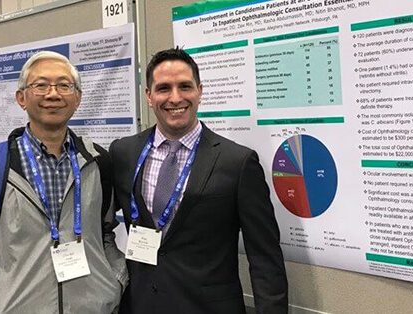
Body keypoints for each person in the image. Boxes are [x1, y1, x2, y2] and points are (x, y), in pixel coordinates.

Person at [0, 51, 128, 314]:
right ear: (21, 98)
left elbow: (105, 232)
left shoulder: (98, 161)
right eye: (41, 85)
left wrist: (114, 282)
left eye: (64, 85)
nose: (53, 94)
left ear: (77, 98)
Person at [109, 48, 288, 314]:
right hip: (140, 304)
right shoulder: (124, 153)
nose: (175, 98)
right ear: (148, 96)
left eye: (185, 86)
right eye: (163, 88)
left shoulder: (237, 163)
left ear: (200, 91)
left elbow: (265, 258)